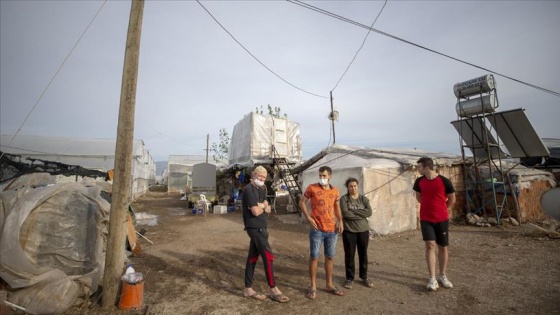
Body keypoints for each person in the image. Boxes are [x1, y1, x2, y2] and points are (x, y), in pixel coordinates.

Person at [242, 166, 290, 303]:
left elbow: (267, 207)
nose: (262, 179)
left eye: (264, 177)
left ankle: (248, 288)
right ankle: (273, 288)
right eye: (259, 176)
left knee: (252, 257)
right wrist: (262, 206)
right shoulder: (248, 189)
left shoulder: (263, 188)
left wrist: (261, 206)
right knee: (268, 256)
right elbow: (256, 212)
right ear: (253, 174)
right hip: (255, 227)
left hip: (262, 226)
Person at [299, 166, 344, 300]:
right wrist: (308, 217)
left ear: (330, 176)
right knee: (314, 257)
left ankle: (329, 284)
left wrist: (340, 221)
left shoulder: (335, 190)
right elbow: (302, 203)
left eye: (324, 176)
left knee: (330, 257)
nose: (322, 178)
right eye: (320, 176)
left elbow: (337, 207)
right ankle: (313, 286)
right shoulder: (312, 188)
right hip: (317, 229)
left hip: (332, 230)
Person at [413, 157, 456, 291]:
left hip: (441, 219)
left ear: (427, 167)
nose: (417, 169)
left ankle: (442, 275)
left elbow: (452, 199)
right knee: (430, 245)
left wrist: (442, 209)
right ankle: (432, 278)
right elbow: (419, 197)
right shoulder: (419, 181)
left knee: (442, 247)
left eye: (419, 167)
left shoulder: (444, 181)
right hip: (426, 218)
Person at [340, 178, 374, 289]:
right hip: (349, 231)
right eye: (350, 186)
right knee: (349, 255)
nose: (353, 188)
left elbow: (369, 212)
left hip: (363, 230)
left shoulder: (363, 199)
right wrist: (361, 214)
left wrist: (353, 211)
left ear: (357, 186)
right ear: (347, 187)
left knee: (363, 254)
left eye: (355, 186)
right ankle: (349, 278)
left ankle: (364, 277)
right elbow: (345, 213)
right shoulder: (344, 199)